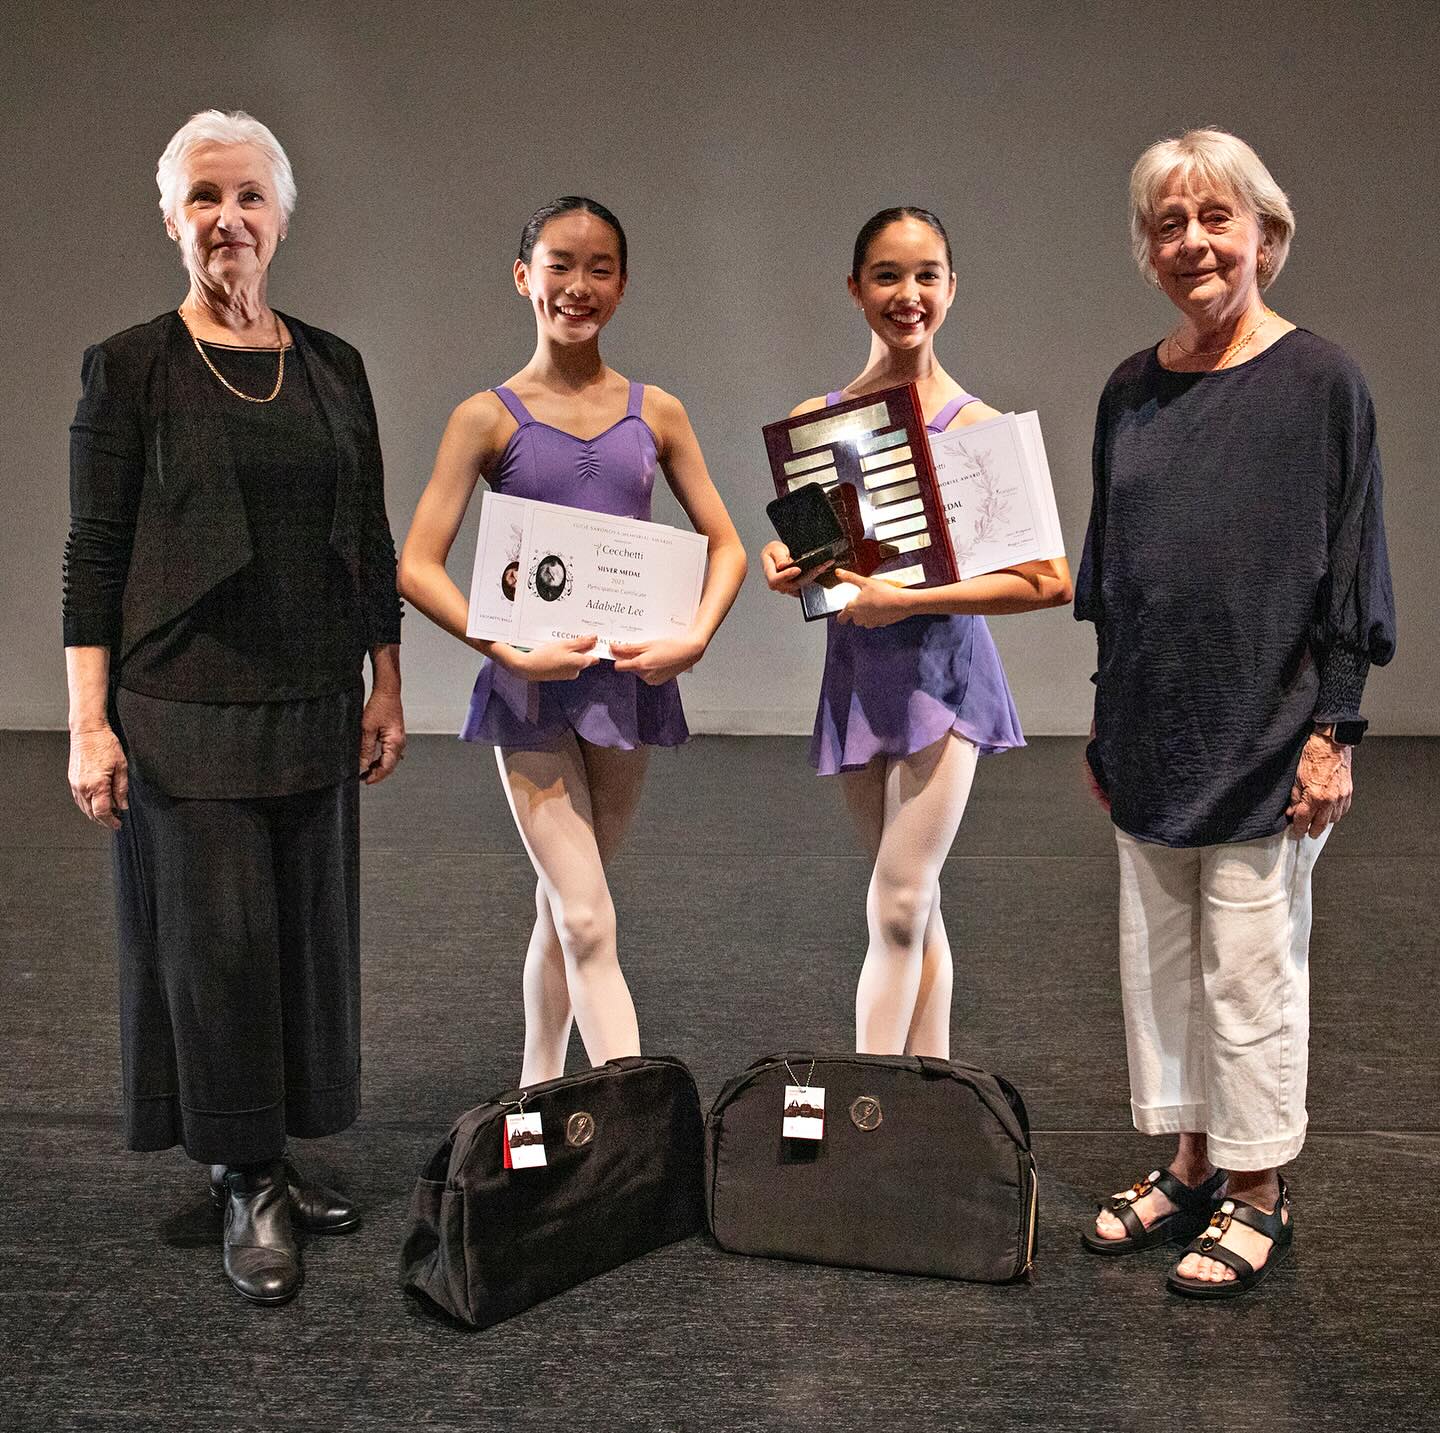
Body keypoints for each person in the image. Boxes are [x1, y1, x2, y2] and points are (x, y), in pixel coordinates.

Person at [62, 110, 405, 1306]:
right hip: (183, 710)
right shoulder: (130, 367)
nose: (229, 218)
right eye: (204, 197)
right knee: (218, 949)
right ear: (171, 218)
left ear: (282, 216)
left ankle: (273, 1151)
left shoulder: (334, 366)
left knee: (300, 943)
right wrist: (89, 722)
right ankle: (244, 1177)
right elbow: (93, 555)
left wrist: (386, 680)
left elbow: (369, 536)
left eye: (249, 196)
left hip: (311, 700)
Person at [1075, 128, 1395, 1297]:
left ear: (1266, 235)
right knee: (1162, 968)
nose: (1194, 242)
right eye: (1170, 223)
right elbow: (1115, 575)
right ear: (1148, 249)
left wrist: (1334, 731)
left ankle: (1260, 1189)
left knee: (1250, 974)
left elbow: (1352, 567)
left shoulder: (1322, 384)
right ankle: (1195, 1162)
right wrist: (1106, 720)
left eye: (1217, 217)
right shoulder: (1129, 390)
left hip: (1269, 733)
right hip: (1154, 729)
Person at [399, 196, 746, 1085]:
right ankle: (633, 1126)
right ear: (525, 277)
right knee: (588, 917)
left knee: (564, 910)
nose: (578, 285)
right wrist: (506, 650)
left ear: (623, 286)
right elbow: (418, 565)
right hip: (531, 695)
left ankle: (535, 1100)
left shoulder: (656, 412)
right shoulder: (485, 418)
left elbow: (728, 544)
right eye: (560, 264)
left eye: (600, 268)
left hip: (627, 691)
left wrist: (695, 639)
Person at [761, 207, 1071, 1058]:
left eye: (927, 275)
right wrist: (787, 564)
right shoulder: (820, 421)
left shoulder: (979, 428)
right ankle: (932, 1096)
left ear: (952, 287)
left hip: (945, 678)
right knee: (913, 905)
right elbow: (822, 564)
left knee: (897, 902)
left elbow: (1050, 580)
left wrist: (913, 600)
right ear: (855, 289)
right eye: (888, 275)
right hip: (860, 677)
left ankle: (870, 1101)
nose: (909, 294)